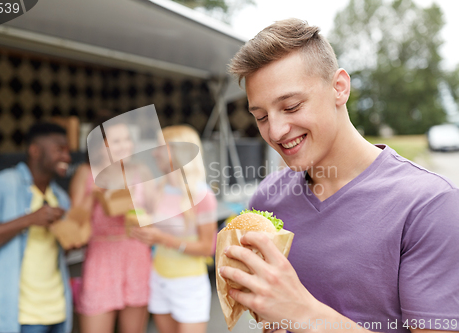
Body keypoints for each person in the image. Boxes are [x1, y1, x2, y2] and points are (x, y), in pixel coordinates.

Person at [218, 18, 459, 333]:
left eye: (290, 107)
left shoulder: (430, 204)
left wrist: (305, 314)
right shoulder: (267, 199)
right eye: (261, 116)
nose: (275, 131)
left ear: (339, 88)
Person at [0, 123, 73, 333]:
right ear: (35, 150)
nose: (67, 157)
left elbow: (58, 252)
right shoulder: (0, 185)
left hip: (58, 313)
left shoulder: (61, 198)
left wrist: (73, 236)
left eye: (68, 150)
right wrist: (28, 219)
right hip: (15, 319)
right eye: (60, 149)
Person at [131, 125, 218, 333]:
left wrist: (161, 238)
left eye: (160, 147)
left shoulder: (202, 195)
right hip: (159, 280)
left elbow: (208, 248)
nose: (154, 153)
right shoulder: (159, 189)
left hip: (189, 284)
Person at [69, 119, 151, 333]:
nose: (125, 145)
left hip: (136, 256)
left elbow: (157, 215)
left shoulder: (140, 171)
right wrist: (95, 195)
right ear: (99, 146)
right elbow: (74, 226)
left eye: (127, 139)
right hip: (101, 259)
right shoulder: (86, 173)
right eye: (116, 141)